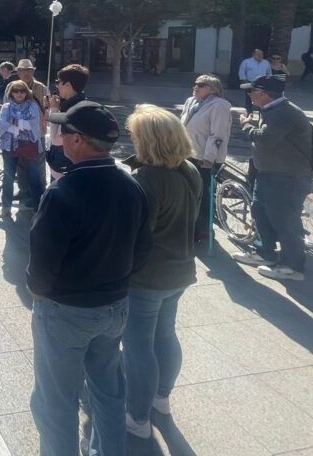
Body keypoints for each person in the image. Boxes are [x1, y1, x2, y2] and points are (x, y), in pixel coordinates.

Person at [27, 101, 151, 456]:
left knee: (55, 402)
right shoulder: (131, 185)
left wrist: (38, 293)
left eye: (63, 130)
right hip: (115, 307)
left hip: (67, 310)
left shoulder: (63, 192)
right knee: (109, 391)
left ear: (77, 140)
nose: (59, 135)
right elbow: (143, 250)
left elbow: (41, 268)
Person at [122, 105, 202, 440]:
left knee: (138, 346)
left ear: (148, 141)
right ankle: (161, 398)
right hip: (179, 271)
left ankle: (137, 418)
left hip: (147, 278)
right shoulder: (189, 170)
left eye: (135, 136)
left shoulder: (146, 181)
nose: (132, 140)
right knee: (165, 336)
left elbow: (134, 237)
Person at [232, 75, 313, 281]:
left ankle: (292, 267)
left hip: (288, 178)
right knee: (260, 212)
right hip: (269, 174)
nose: (248, 95)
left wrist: (246, 126)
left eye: (251, 91)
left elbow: (266, 139)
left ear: (263, 94)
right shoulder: (271, 110)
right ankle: (265, 253)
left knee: (285, 221)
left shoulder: (283, 112)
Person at [180, 75, 232, 245]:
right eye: (194, 84)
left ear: (213, 88)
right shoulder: (191, 102)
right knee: (189, 194)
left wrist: (209, 158)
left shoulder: (220, 106)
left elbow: (217, 134)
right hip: (187, 154)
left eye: (201, 85)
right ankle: (190, 228)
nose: (196, 87)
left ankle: (204, 230)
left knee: (203, 196)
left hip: (204, 158)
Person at [0, 80, 44, 214]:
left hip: (30, 145)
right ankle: (6, 207)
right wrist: (23, 125)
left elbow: (33, 125)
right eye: (16, 91)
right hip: (9, 146)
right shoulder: (6, 107)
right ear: (11, 92)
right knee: (8, 177)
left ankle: (39, 208)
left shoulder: (33, 106)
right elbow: (3, 125)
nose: (19, 94)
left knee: (34, 177)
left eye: (22, 91)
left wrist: (15, 123)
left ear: (27, 92)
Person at [46, 64, 89, 178]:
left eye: (58, 82)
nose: (56, 86)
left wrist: (54, 109)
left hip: (64, 170)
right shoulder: (78, 103)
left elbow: (55, 139)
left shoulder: (73, 109)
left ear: (68, 85)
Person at [238, 48, 271, 115]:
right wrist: (245, 81)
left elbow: (269, 73)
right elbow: (241, 72)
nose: (260, 56)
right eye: (258, 54)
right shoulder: (246, 62)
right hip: (250, 83)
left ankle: (261, 115)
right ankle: (249, 113)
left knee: (262, 99)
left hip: (262, 84)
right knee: (249, 99)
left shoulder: (266, 63)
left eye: (262, 54)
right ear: (253, 54)